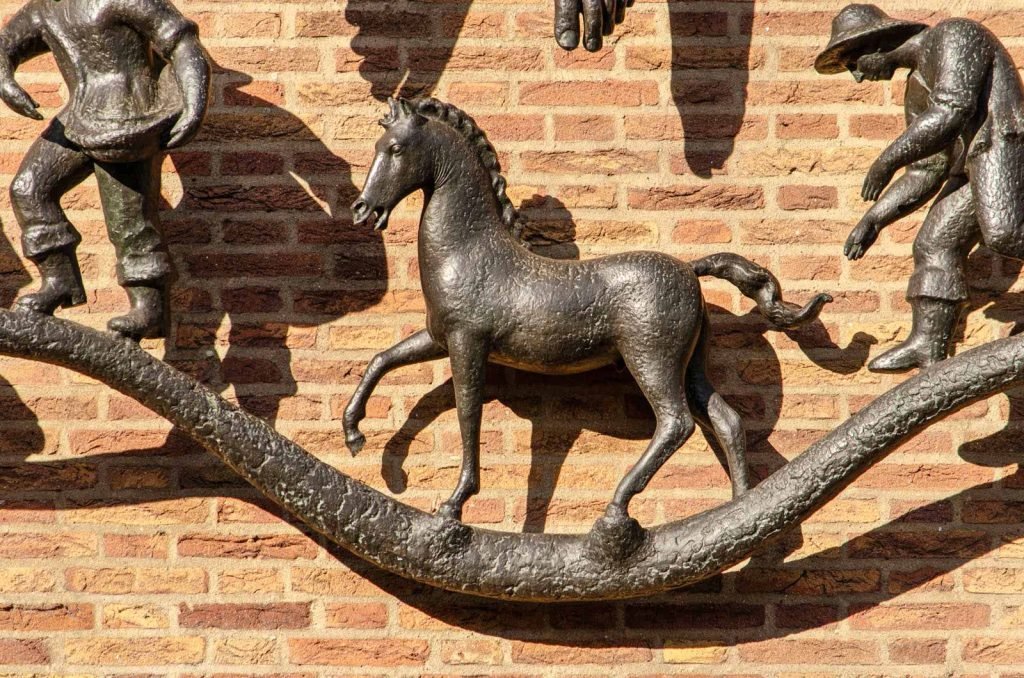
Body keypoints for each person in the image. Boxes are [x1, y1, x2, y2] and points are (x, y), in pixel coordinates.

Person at [816, 4, 1024, 371]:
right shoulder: (916, 87)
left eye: (853, 64)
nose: (858, 78)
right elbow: (927, 168)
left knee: (1005, 233)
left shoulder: (954, 35)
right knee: (935, 241)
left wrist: (885, 161)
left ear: (874, 45)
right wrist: (874, 219)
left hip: (1003, 143)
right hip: (973, 166)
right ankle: (928, 346)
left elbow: (952, 110)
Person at [0, 0, 210, 340]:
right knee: (29, 189)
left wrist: (193, 105)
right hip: (78, 116)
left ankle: (149, 309)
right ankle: (59, 281)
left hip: (126, 120)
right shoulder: (44, 9)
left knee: (128, 220)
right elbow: (5, 44)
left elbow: (181, 42)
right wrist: (6, 81)